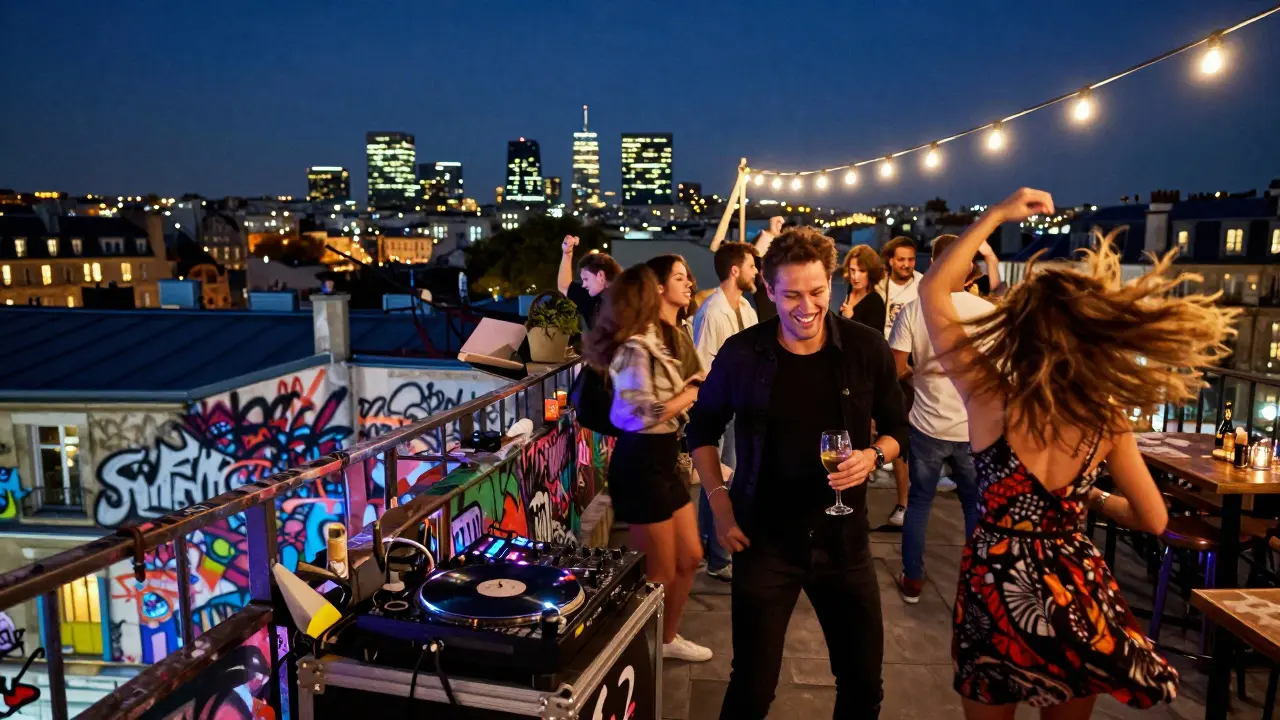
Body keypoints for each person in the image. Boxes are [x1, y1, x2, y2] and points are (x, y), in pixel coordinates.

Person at [921, 188, 1224, 718]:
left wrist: (994, 215)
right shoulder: (1105, 418)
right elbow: (1154, 518)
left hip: (995, 583)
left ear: (1021, 331)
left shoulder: (990, 398)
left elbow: (933, 290)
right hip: (1073, 587)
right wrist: (1094, 500)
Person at [688, 227, 909, 719]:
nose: (806, 307)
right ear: (768, 290)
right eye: (791, 295)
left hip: (845, 543)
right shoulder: (743, 353)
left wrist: (874, 456)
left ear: (830, 282)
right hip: (765, 542)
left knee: (861, 685)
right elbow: (700, 430)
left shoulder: (865, 347)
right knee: (751, 688)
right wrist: (721, 508)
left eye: (817, 292)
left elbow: (898, 429)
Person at [583, 262, 713, 664]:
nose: (686, 284)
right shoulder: (636, 347)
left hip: (662, 458)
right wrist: (688, 396)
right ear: (648, 295)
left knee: (690, 556)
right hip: (640, 463)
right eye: (671, 280)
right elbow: (630, 417)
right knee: (659, 572)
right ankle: (637, 653)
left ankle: (666, 638)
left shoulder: (660, 339)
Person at [888, 234, 988, 605]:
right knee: (973, 506)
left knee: (918, 504)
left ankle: (912, 578)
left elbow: (895, 367)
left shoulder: (915, 309)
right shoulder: (987, 313)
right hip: (972, 428)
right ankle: (978, 583)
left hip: (927, 423)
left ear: (933, 264)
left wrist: (920, 373)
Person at [692, 241, 760, 582]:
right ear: (735, 270)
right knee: (716, 480)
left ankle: (712, 548)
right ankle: (718, 557)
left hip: (742, 406)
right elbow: (702, 364)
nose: (756, 272)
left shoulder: (746, 308)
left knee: (726, 478)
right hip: (719, 409)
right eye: (751, 266)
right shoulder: (711, 311)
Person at [875, 236, 924, 526]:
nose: (906, 264)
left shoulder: (922, 287)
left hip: (908, 371)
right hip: (881, 366)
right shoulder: (880, 286)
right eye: (901, 259)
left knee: (902, 436)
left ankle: (905, 505)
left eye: (911, 259)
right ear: (890, 260)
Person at [557, 235, 622, 329]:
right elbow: (564, 286)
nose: (583, 285)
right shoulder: (590, 298)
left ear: (600, 275)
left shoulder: (625, 299)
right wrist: (567, 253)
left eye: (586, 279)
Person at [838, 244, 886, 331]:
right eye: (852, 270)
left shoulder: (875, 301)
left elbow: (874, 340)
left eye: (862, 271)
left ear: (871, 272)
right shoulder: (847, 290)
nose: (855, 276)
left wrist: (851, 318)